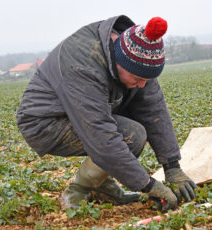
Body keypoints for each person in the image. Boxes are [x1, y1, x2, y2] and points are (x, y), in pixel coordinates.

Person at [16, 15, 198, 212]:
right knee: (130, 135)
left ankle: (102, 187)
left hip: (82, 112)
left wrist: (172, 167)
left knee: (130, 133)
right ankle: (77, 192)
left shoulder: (138, 56)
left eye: (147, 79)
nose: (142, 84)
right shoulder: (84, 64)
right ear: (120, 62)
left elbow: (153, 109)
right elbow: (100, 135)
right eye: (138, 78)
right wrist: (148, 185)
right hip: (44, 122)